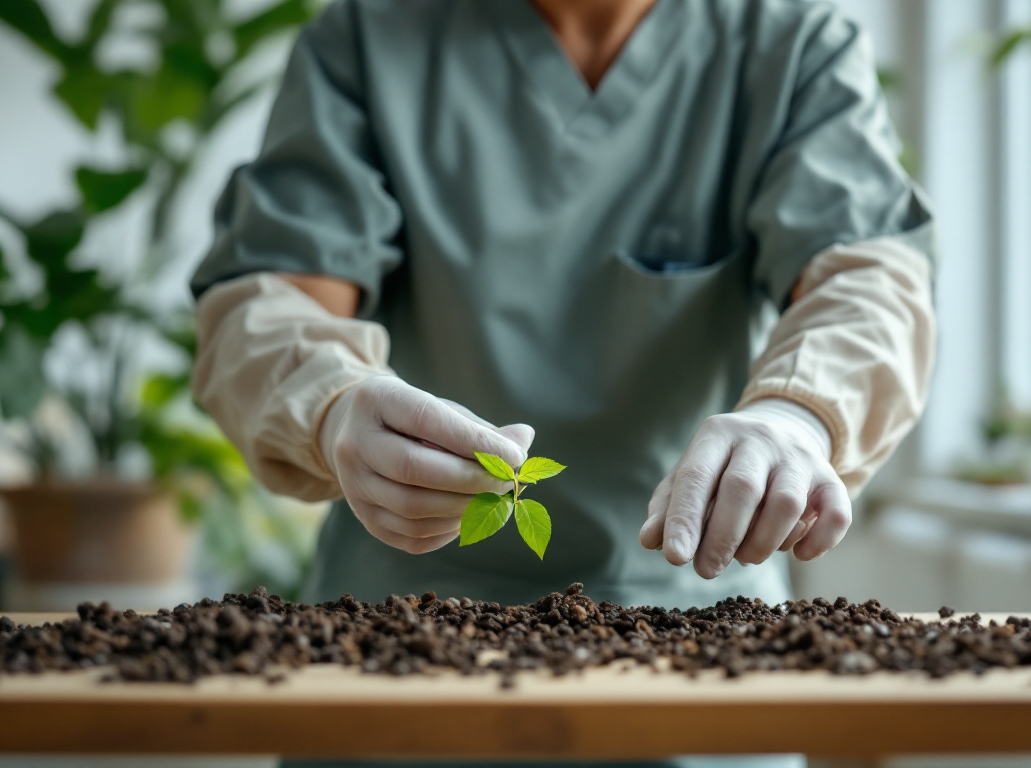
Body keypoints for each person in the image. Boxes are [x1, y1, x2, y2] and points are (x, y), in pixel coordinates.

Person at [191, 0, 933, 763]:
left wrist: (795, 416)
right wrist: (331, 403)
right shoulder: (371, 37)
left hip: (697, 640)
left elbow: (867, 280)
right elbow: (275, 301)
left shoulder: (787, 41)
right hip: (396, 643)